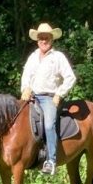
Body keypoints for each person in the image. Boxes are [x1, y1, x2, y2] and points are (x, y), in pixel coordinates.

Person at [20, 22, 76, 175]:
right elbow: (26, 76)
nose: (43, 41)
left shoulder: (58, 57)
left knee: (49, 125)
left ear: (52, 39)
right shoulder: (32, 57)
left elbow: (70, 77)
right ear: (37, 39)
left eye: (46, 38)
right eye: (41, 38)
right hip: (31, 96)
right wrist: (25, 88)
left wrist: (59, 94)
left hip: (48, 98)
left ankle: (51, 161)